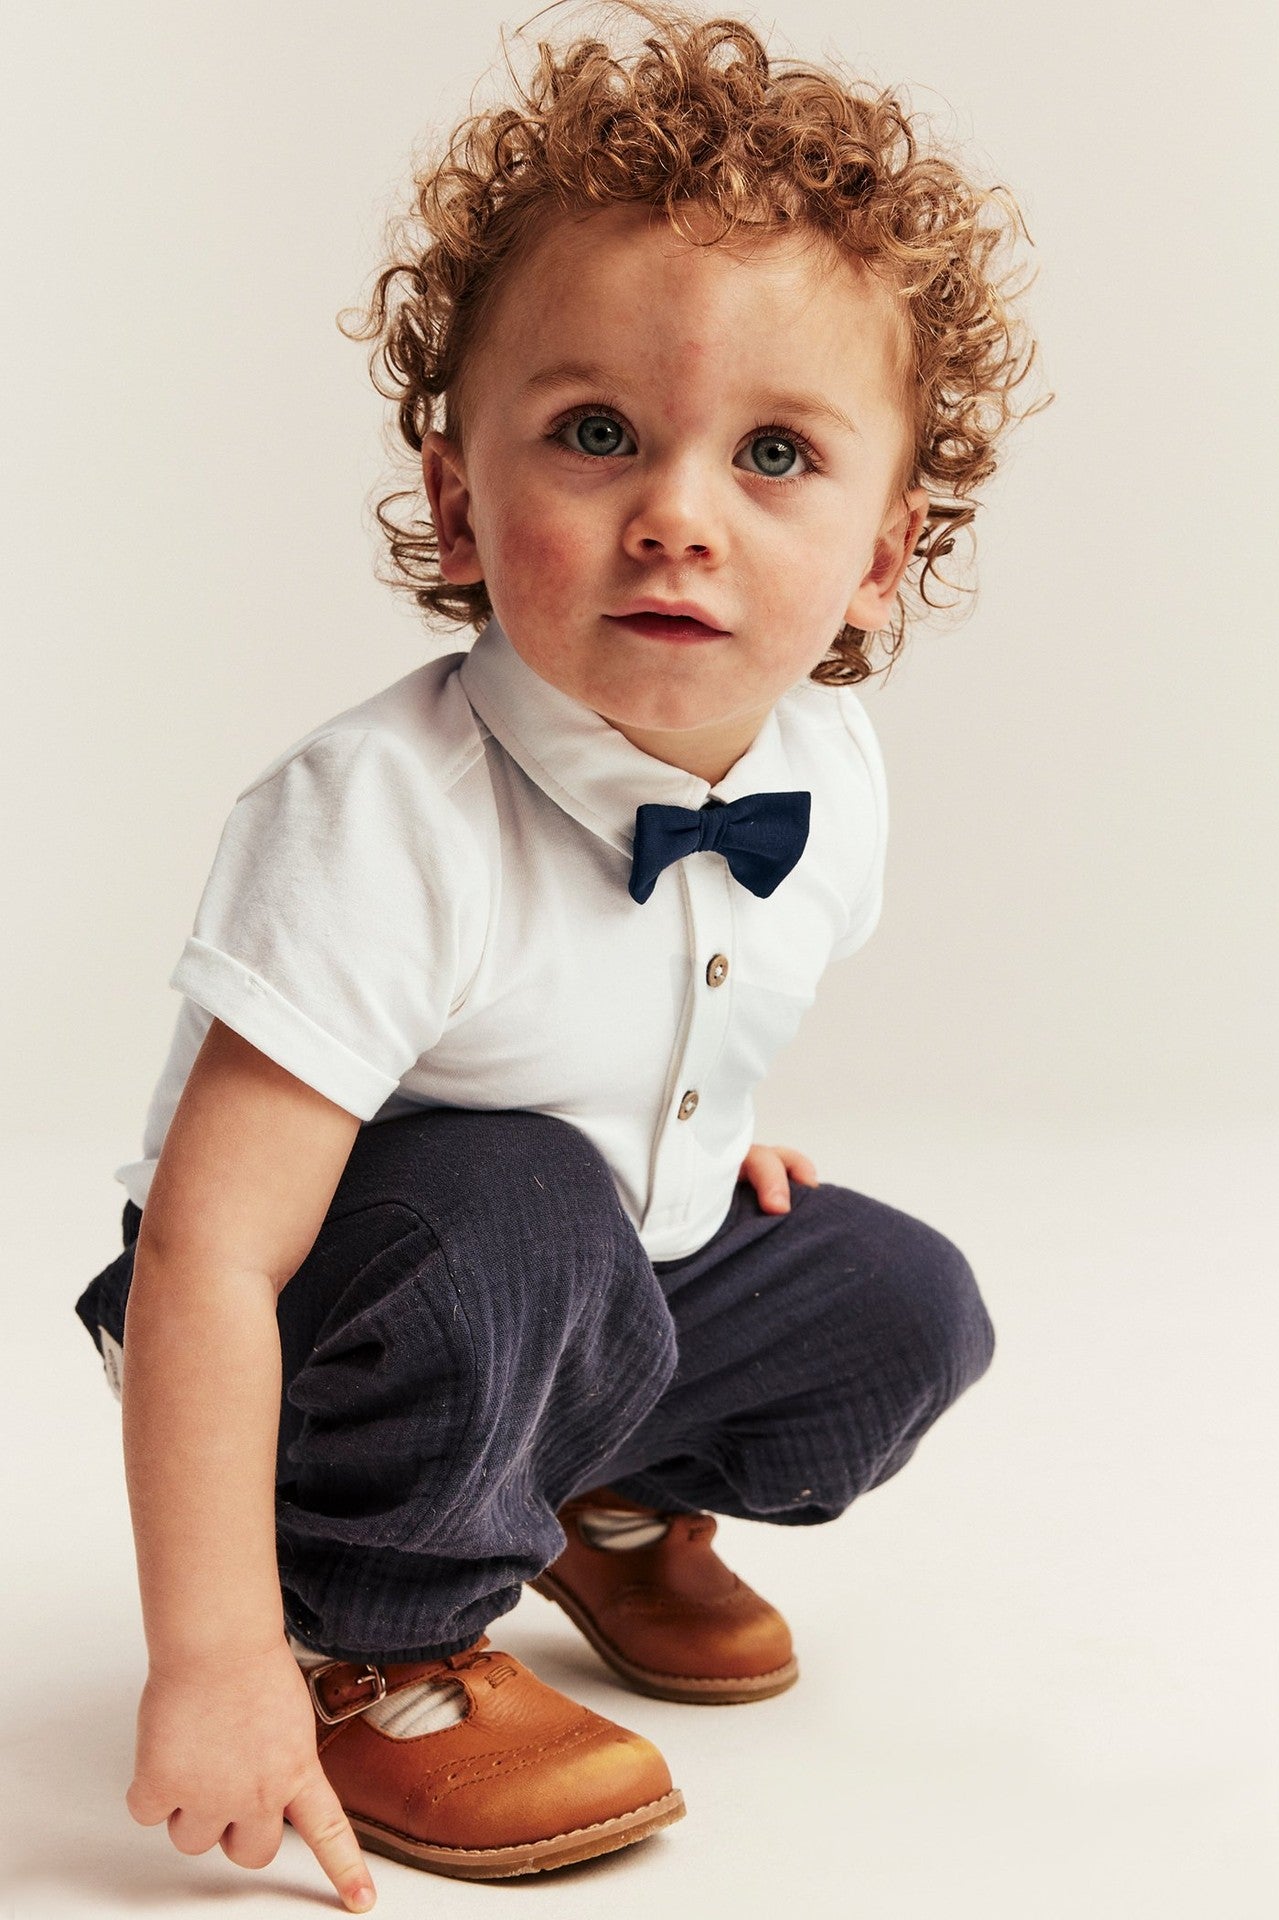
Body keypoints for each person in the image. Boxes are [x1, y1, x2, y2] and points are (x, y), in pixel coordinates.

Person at [75, 1, 1044, 1905]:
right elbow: (204, 1254)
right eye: (595, 434)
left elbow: (686, 990)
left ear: (878, 556)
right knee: (516, 1209)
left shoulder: (829, 776)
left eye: (775, 453)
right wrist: (209, 1661)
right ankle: (373, 1633)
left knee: (898, 1303)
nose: (676, 513)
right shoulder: (376, 819)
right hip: (303, 1321)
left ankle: (593, 1495)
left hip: (574, 1273)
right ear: (456, 499)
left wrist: (697, 1131)